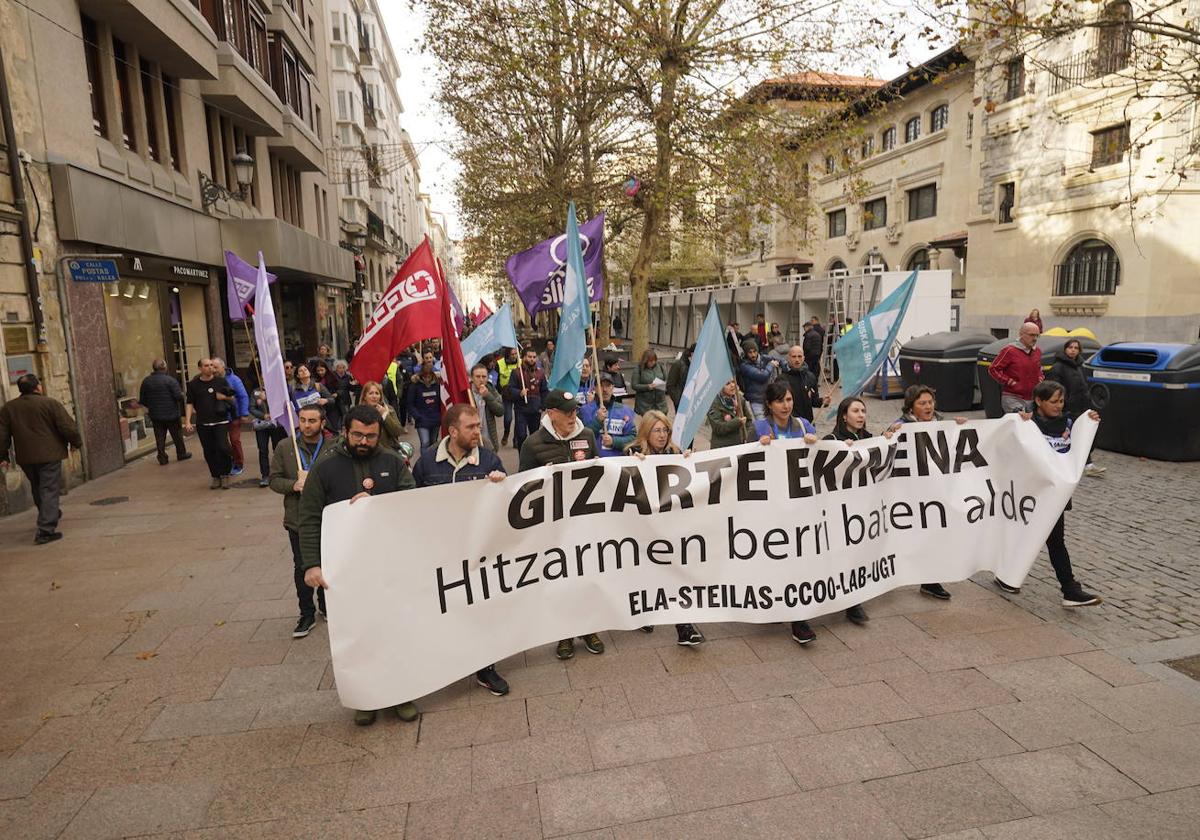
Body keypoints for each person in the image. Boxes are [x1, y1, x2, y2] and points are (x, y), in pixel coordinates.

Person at [300, 405, 419, 725]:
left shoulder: (393, 462)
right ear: (345, 432)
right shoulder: (325, 467)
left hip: (388, 565)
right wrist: (311, 565)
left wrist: (378, 506)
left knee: (395, 630)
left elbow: (412, 504)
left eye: (370, 436)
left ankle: (401, 693)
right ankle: (365, 698)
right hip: (346, 570)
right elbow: (308, 519)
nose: (364, 441)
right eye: (357, 435)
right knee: (358, 634)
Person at [411, 402, 509, 694]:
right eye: (471, 427)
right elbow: (409, 504)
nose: (478, 431)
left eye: (479, 426)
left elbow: (506, 506)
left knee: (481, 607)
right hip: (439, 550)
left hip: (477, 550)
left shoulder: (489, 461)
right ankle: (443, 662)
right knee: (443, 608)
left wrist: (500, 485)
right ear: (452, 431)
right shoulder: (427, 463)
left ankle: (485, 668)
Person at [994, 381, 1103, 608]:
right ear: (1039, 401)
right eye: (1053, 402)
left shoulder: (1070, 423)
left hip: (1054, 496)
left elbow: (1082, 449)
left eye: (1061, 401)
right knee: (1014, 531)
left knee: (1056, 541)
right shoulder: (1028, 423)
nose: (1058, 406)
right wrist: (1017, 420)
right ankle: (1006, 574)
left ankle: (1069, 589)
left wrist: (1090, 424)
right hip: (1026, 493)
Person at [517, 389, 606, 660]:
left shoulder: (587, 436)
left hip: (584, 522)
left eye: (575, 411)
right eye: (566, 412)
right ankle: (565, 634)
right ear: (551, 413)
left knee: (587, 575)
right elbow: (524, 488)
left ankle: (590, 628)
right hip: (553, 528)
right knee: (561, 580)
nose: (572, 416)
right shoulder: (533, 444)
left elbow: (599, 470)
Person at [623, 411, 705, 645]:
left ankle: (684, 627)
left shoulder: (674, 452)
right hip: (644, 526)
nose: (662, 435)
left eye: (665, 430)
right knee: (647, 571)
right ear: (646, 432)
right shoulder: (632, 452)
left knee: (673, 572)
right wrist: (632, 466)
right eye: (656, 430)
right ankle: (645, 611)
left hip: (670, 525)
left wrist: (688, 462)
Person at [753, 381, 821, 645]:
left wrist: (816, 444)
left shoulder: (804, 425)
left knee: (797, 558)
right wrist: (758, 447)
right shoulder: (759, 428)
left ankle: (798, 618)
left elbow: (823, 456)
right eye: (780, 401)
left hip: (800, 504)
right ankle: (772, 601)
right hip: (771, 506)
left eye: (789, 399)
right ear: (770, 404)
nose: (786, 405)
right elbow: (744, 462)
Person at [824, 397, 902, 625]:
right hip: (839, 509)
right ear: (843, 415)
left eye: (863, 411)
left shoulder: (869, 439)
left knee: (858, 554)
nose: (861, 415)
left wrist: (888, 439)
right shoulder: (831, 439)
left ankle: (853, 602)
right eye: (855, 411)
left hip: (864, 509)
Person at [892, 384, 964, 602]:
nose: (928, 407)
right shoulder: (902, 427)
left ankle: (930, 580)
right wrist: (889, 435)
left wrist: (960, 427)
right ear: (911, 407)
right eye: (922, 403)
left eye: (930, 402)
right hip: (911, 493)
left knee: (934, 534)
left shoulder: (941, 425)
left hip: (936, 491)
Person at [269, 404, 332, 638]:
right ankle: (306, 613)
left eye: (312, 421)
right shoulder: (286, 447)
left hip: (327, 516)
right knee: (303, 566)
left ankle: (327, 606)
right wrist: (293, 485)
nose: (306, 425)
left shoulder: (333, 446)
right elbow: (274, 479)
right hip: (298, 518)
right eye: (303, 420)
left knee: (328, 563)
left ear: (322, 423)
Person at [0, 373, 83, 544]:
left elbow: (2, 436)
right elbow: (67, 427)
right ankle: (45, 530)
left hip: (26, 457)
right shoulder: (50, 403)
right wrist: (76, 443)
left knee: (38, 487)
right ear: (37, 387)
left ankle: (48, 512)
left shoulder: (9, 408)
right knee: (48, 489)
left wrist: (3, 456)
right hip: (49, 454)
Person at [1047, 338, 1104, 476]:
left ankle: (1087, 464)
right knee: (1068, 437)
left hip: (1082, 407)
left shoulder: (1080, 366)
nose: (1073, 350)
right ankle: (1082, 465)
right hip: (1067, 409)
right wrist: (1062, 404)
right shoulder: (1058, 367)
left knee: (1086, 434)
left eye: (1076, 348)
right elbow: (1055, 388)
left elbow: (1084, 385)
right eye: (1070, 347)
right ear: (1065, 349)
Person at [184, 358, 235, 489]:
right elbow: (189, 403)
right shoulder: (193, 385)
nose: (210, 368)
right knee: (209, 451)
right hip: (203, 423)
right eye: (206, 366)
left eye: (212, 365)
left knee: (223, 447)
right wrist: (188, 421)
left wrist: (223, 397)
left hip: (220, 421)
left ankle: (225, 474)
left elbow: (232, 398)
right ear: (200, 368)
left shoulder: (221, 381)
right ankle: (216, 476)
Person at [138, 359, 191, 466]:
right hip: (171, 414)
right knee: (177, 436)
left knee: (160, 437)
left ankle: (162, 457)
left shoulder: (146, 381)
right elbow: (178, 396)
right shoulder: (170, 380)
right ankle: (181, 453)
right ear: (164, 367)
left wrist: (152, 406)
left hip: (156, 415)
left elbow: (143, 400)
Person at [989, 321, 1043, 413]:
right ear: (1021, 334)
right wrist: (1009, 381)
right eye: (1031, 335)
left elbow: (1039, 368)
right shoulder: (1009, 350)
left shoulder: (1037, 351)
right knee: (1020, 422)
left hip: (1033, 398)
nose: (1035, 338)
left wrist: (1040, 378)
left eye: (1037, 335)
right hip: (1013, 397)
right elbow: (993, 369)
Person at [580, 373, 636, 456]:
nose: (604, 389)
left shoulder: (624, 410)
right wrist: (597, 421)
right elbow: (582, 438)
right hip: (594, 461)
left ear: (612, 387)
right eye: (601, 386)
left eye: (608, 386)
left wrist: (614, 441)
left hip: (618, 461)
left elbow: (633, 438)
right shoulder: (585, 410)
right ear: (595, 388)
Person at [214, 359, 250, 476]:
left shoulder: (234, 380)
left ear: (223, 367)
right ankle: (228, 461)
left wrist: (244, 413)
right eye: (212, 367)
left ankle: (239, 463)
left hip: (233, 415)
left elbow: (243, 396)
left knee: (234, 440)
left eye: (216, 367)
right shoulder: (212, 380)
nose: (214, 370)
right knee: (221, 442)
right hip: (218, 415)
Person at [509, 347, 548, 452]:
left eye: (534, 357)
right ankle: (522, 456)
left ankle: (532, 459)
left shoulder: (540, 373)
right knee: (521, 435)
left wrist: (542, 406)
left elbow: (544, 391)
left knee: (534, 436)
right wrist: (519, 393)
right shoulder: (516, 373)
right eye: (529, 357)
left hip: (535, 410)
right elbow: (510, 389)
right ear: (524, 357)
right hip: (521, 410)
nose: (532, 359)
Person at [249, 387, 287, 488]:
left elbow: (283, 404)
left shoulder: (278, 387)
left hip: (276, 424)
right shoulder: (256, 391)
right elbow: (251, 408)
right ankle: (265, 475)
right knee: (262, 450)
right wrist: (263, 415)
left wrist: (267, 399)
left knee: (278, 448)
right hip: (262, 426)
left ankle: (278, 472)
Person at [706, 379, 754, 448]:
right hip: (723, 447)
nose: (732, 385)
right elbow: (718, 428)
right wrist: (737, 421)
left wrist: (747, 436)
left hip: (740, 445)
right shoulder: (714, 402)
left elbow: (749, 421)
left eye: (733, 382)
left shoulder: (740, 398)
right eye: (727, 384)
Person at [406, 360, 443, 450]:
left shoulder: (437, 385)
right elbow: (410, 403)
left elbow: (440, 401)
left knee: (434, 443)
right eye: (425, 376)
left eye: (429, 376)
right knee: (425, 442)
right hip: (422, 419)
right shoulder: (415, 386)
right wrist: (417, 416)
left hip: (435, 419)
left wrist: (440, 415)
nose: (427, 379)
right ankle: (424, 462)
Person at [782, 345, 824, 423]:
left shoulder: (810, 377)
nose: (797, 359)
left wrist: (823, 401)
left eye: (799, 356)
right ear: (788, 358)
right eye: (794, 357)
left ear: (804, 358)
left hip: (808, 423)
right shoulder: (782, 379)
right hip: (790, 424)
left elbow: (814, 401)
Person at [740, 339, 779, 420]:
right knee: (762, 427)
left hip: (767, 400)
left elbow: (779, 359)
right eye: (750, 352)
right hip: (756, 402)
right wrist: (771, 365)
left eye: (754, 351)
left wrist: (786, 366)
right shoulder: (744, 366)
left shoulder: (762, 359)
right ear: (746, 353)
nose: (753, 354)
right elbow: (762, 377)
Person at [469, 363, 505, 451]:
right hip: (471, 438)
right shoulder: (467, 392)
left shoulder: (491, 389)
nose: (481, 380)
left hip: (488, 437)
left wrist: (487, 396)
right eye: (478, 376)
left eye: (484, 377)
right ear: (472, 378)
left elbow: (500, 411)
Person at [359, 381, 404, 452]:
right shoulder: (358, 412)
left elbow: (398, 431)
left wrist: (385, 415)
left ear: (380, 396)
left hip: (386, 452)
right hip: (367, 451)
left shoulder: (389, 410)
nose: (374, 396)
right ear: (364, 396)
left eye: (377, 393)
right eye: (371, 393)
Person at [631, 349, 668, 416]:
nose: (652, 362)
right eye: (650, 361)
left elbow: (666, 379)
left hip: (660, 403)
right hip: (645, 405)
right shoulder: (639, 369)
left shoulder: (660, 366)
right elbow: (634, 385)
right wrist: (647, 387)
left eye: (654, 360)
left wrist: (663, 385)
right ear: (645, 361)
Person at [497, 347, 521, 445]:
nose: (515, 356)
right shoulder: (500, 363)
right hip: (506, 394)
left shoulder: (521, 362)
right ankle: (506, 434)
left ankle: (516, 440)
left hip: (518, 392)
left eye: (516, 353)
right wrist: (500, 390)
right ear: (508, 355)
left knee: (519, 418)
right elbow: (496, 379)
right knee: (508, 417)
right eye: (512, 354)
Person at [666, 345, 694, 410]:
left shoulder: (696, 365)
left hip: (693, 402)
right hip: (681, 401)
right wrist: (677, 400)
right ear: (692, 353)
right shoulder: (678, 364)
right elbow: (670, 385)